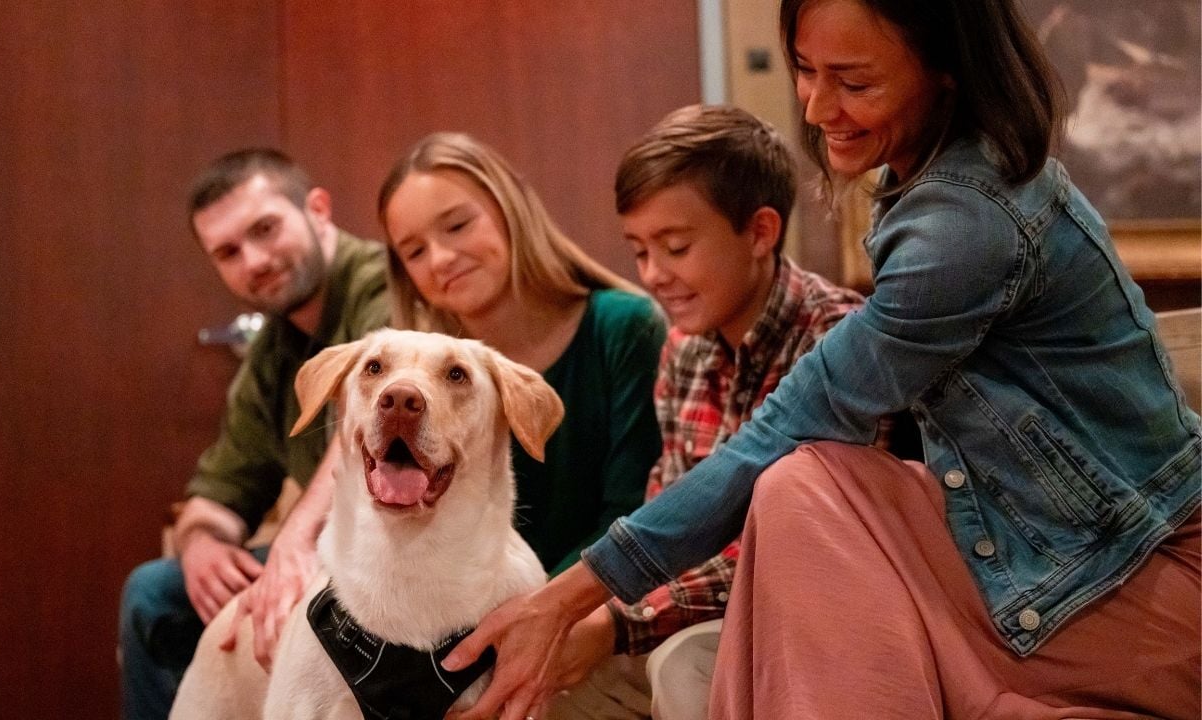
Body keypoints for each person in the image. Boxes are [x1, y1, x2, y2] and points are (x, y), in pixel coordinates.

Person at [441, 2, 1202, 719]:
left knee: (798, 488)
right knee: (796, 492)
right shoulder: (929, 187)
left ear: (946, 68)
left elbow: (793, 420)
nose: (814, 108)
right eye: (805, 70)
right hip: (1033, 538)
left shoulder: (966, 225)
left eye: (854, 82)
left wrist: (573, 601)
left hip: (1131, 570)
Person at [552, 104, 866, 720]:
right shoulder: (683, 350)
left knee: (683, 666)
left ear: (760, 232)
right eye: (639, 251)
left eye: (676, 247)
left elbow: (785, 553)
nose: (653, 274)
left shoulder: (838, 340)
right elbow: (670, 514)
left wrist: (620, 621)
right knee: (551, 682)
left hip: (813, 615)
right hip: (690, 611)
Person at [378, 131, 665, 719]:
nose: (441, 258)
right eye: (415, 251)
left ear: (510, 208)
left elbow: (630, 517)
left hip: (595, 621)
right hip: (453, 636)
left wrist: (532, 614)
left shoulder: (625, 328)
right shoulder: (410, 385)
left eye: (458, 225)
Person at [118, 148, 390, 720]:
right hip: (330, 550)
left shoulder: (387, 286)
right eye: (228, 252)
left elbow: (364, 431)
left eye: (265, 229)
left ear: (318, 209)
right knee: (155, 594)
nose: (254, 261)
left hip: (403, 550)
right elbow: (217, 496)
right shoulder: (271, 351)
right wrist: (201, 547)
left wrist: (294, 542)